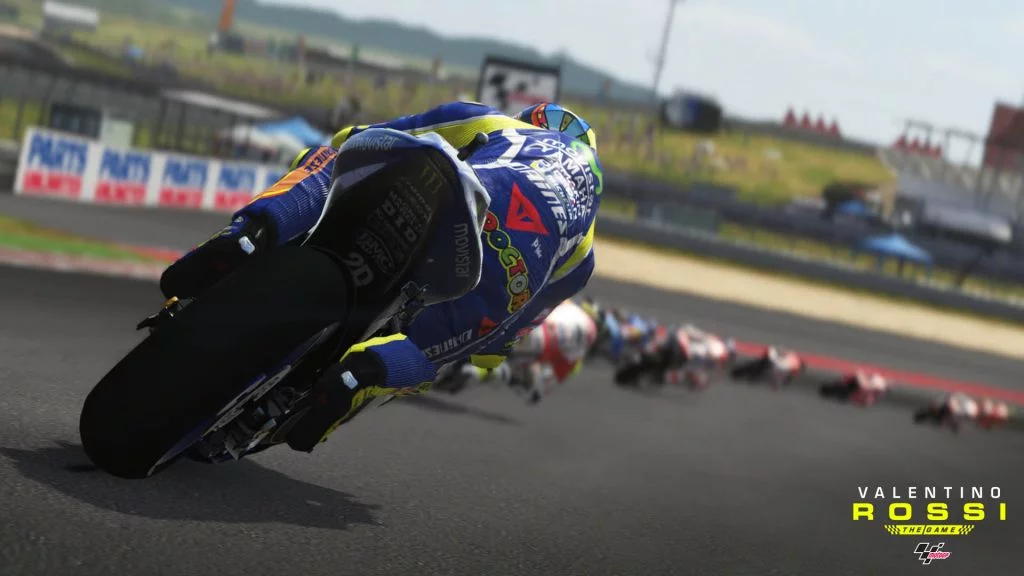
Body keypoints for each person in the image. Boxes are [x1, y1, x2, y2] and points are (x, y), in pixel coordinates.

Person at [157, 101, 603, 452]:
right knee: (425, 354)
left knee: (329, 160)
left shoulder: (498, 123)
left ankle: (249, 236)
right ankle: (360, 375)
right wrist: (468, 344)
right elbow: (502, 343)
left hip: (457, 197)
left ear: (531, 121)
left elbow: (361, 138)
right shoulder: (584, 252)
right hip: (510, 270)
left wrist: (342, 151)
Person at [438, 297, 601, 403]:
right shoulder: (587, 340)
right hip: (538, 344)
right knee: (525, 380)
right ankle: (484, 372)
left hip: (531, 320)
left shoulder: (569, 302)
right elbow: (555, 375)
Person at [730, 345, 804, 388]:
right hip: (772, 363)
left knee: (757, 367)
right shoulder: (792, 360)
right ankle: (743, 374)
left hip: (773, 364)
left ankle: (745, 374)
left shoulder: (792, 361)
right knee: (756, 367)